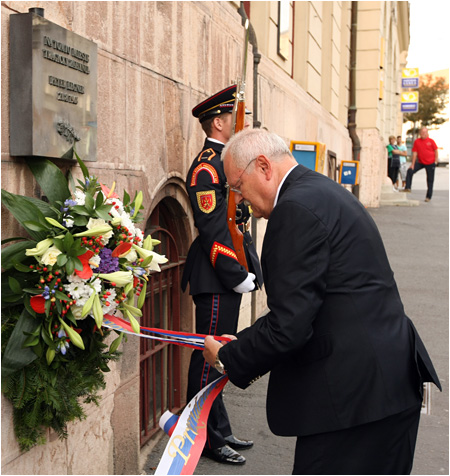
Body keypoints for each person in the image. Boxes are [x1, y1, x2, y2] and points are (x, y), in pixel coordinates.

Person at [203, 129, 441, 475]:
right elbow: (314, 300)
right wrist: (247, 340)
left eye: (237, 186)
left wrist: (228, 357)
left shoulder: (294, 210)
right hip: (381, 386)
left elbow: (290, 324)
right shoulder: (319, 190)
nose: (238, 199)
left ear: (264, 167)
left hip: (354, 402)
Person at [181, 85, 263, 466]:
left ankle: (219, 426)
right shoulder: (206, 167)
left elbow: (238, 223)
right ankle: (206, 439)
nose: (239, 123)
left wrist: (250, 265)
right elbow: (213, 228)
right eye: (234, 117)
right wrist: (233, 273)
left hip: (228, 271)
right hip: (215, 275)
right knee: (208, 359)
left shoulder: (226, 160)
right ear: (218, 121)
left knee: (221, 354)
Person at [403, 127, 439, 202]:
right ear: (420, 133)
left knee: (430, 179)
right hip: (420, 162)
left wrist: (435, 160)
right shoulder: (417, 142)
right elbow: (415, 153)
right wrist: (412, 164)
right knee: (410, 171)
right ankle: (408, 187)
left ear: (427, 133)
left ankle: (428, 197)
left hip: (430, 163)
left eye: (425, 132)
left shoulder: (431, 141)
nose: (423, 134)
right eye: (422, 132)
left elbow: (436, 150)